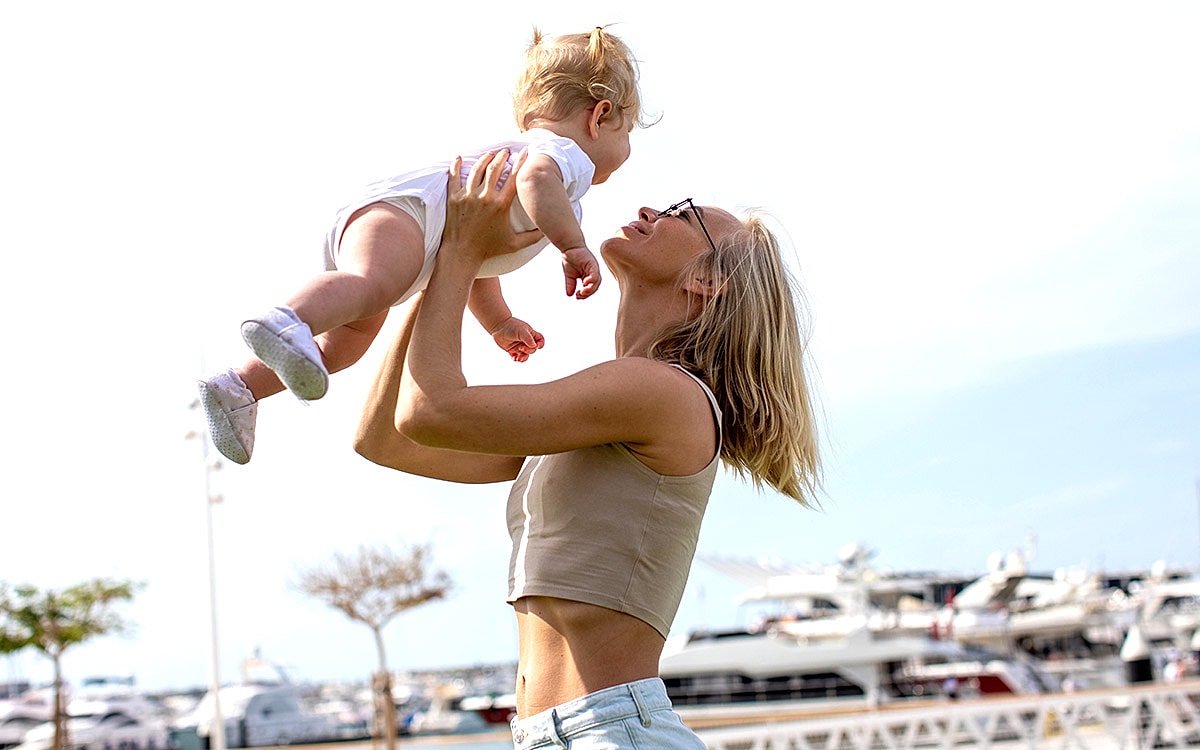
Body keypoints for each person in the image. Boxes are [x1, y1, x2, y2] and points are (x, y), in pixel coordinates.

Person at [355, 150, 822, 748]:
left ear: (706, 279)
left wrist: (462, 252)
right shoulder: (611, 409)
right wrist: (436, 262)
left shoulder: (660, 392)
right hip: (559, 734)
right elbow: (385, 437)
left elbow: (431, 410)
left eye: (683, 213)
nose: (654, 209)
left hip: (606, 730)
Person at [198, 26, 645, 465]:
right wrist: (573, 247)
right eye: (627, 133)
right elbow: (537, 179)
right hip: (405, 216)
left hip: (404, 232)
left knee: (349, 341)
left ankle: (238, 389)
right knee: (370, 285)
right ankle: (285, 320)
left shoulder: (546, 183)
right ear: (599, 116)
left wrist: (500, 322)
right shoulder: (560, 158)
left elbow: (477, 262)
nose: (626, 148)